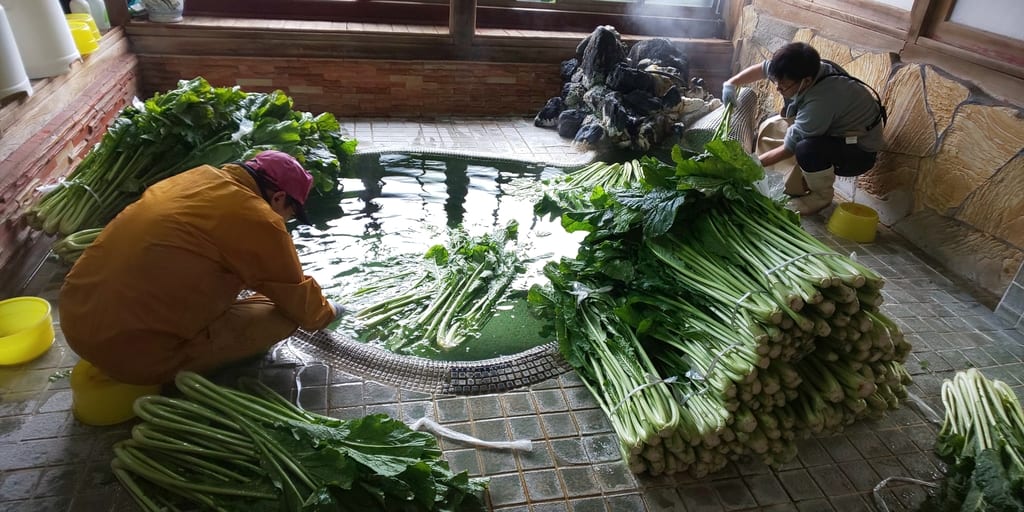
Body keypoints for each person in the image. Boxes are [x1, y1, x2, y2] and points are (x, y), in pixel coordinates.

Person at [59, 150, 345, 385]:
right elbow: (300, 304)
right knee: (282, 316)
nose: (286, 221)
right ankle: (181, 368)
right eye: (290, 215)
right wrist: (330, 310)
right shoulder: (260, 219)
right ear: (279, 198)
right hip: (135, 358)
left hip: (74, 321)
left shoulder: (196, 177)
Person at [721, 42, 886, 215]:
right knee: (775, 121)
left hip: (858, 151)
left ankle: (820, 196)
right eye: (776, 81)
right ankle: (808, 176)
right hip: (833, 128)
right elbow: (763, 68)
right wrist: (731, 83)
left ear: (806, 81)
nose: (778, 88)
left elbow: (787, 149)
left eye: (783, 85)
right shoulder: (795, 70)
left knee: (806, 149)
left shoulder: (821, 101)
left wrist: (748, 166)